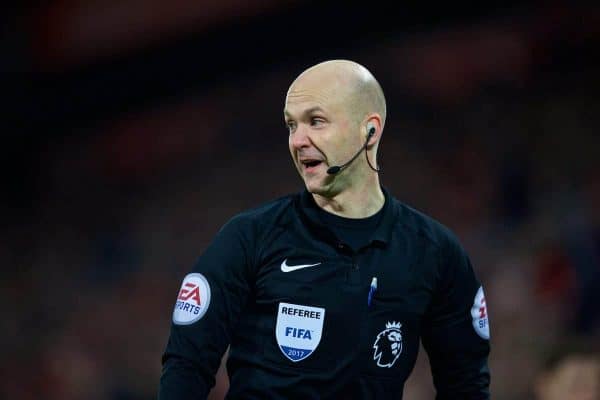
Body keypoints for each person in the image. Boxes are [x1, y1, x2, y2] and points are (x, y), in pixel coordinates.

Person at [158, 59, 491, 399]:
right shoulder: (249, 238)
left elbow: (466, 383)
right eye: (291, 125)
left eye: (315, 121)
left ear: (370, 131)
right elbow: (187, 364)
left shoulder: (434, 252)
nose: (297, 140)